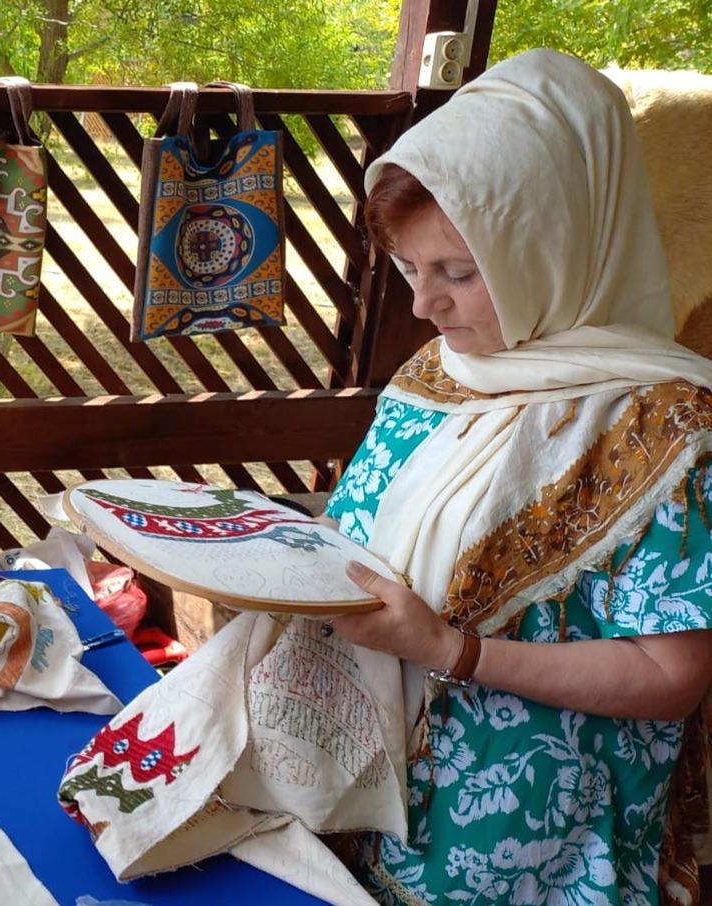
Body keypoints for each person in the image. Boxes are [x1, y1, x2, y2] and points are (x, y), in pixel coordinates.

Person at [319, 49, 712, 903]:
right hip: (369, 790)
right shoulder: (439, 374)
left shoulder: (666, 426)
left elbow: (672, 677)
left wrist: (449, 651)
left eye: (458, 273)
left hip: (534, 842)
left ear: (557, 243)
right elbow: (357, 531)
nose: (425, 305)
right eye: (410, 268)